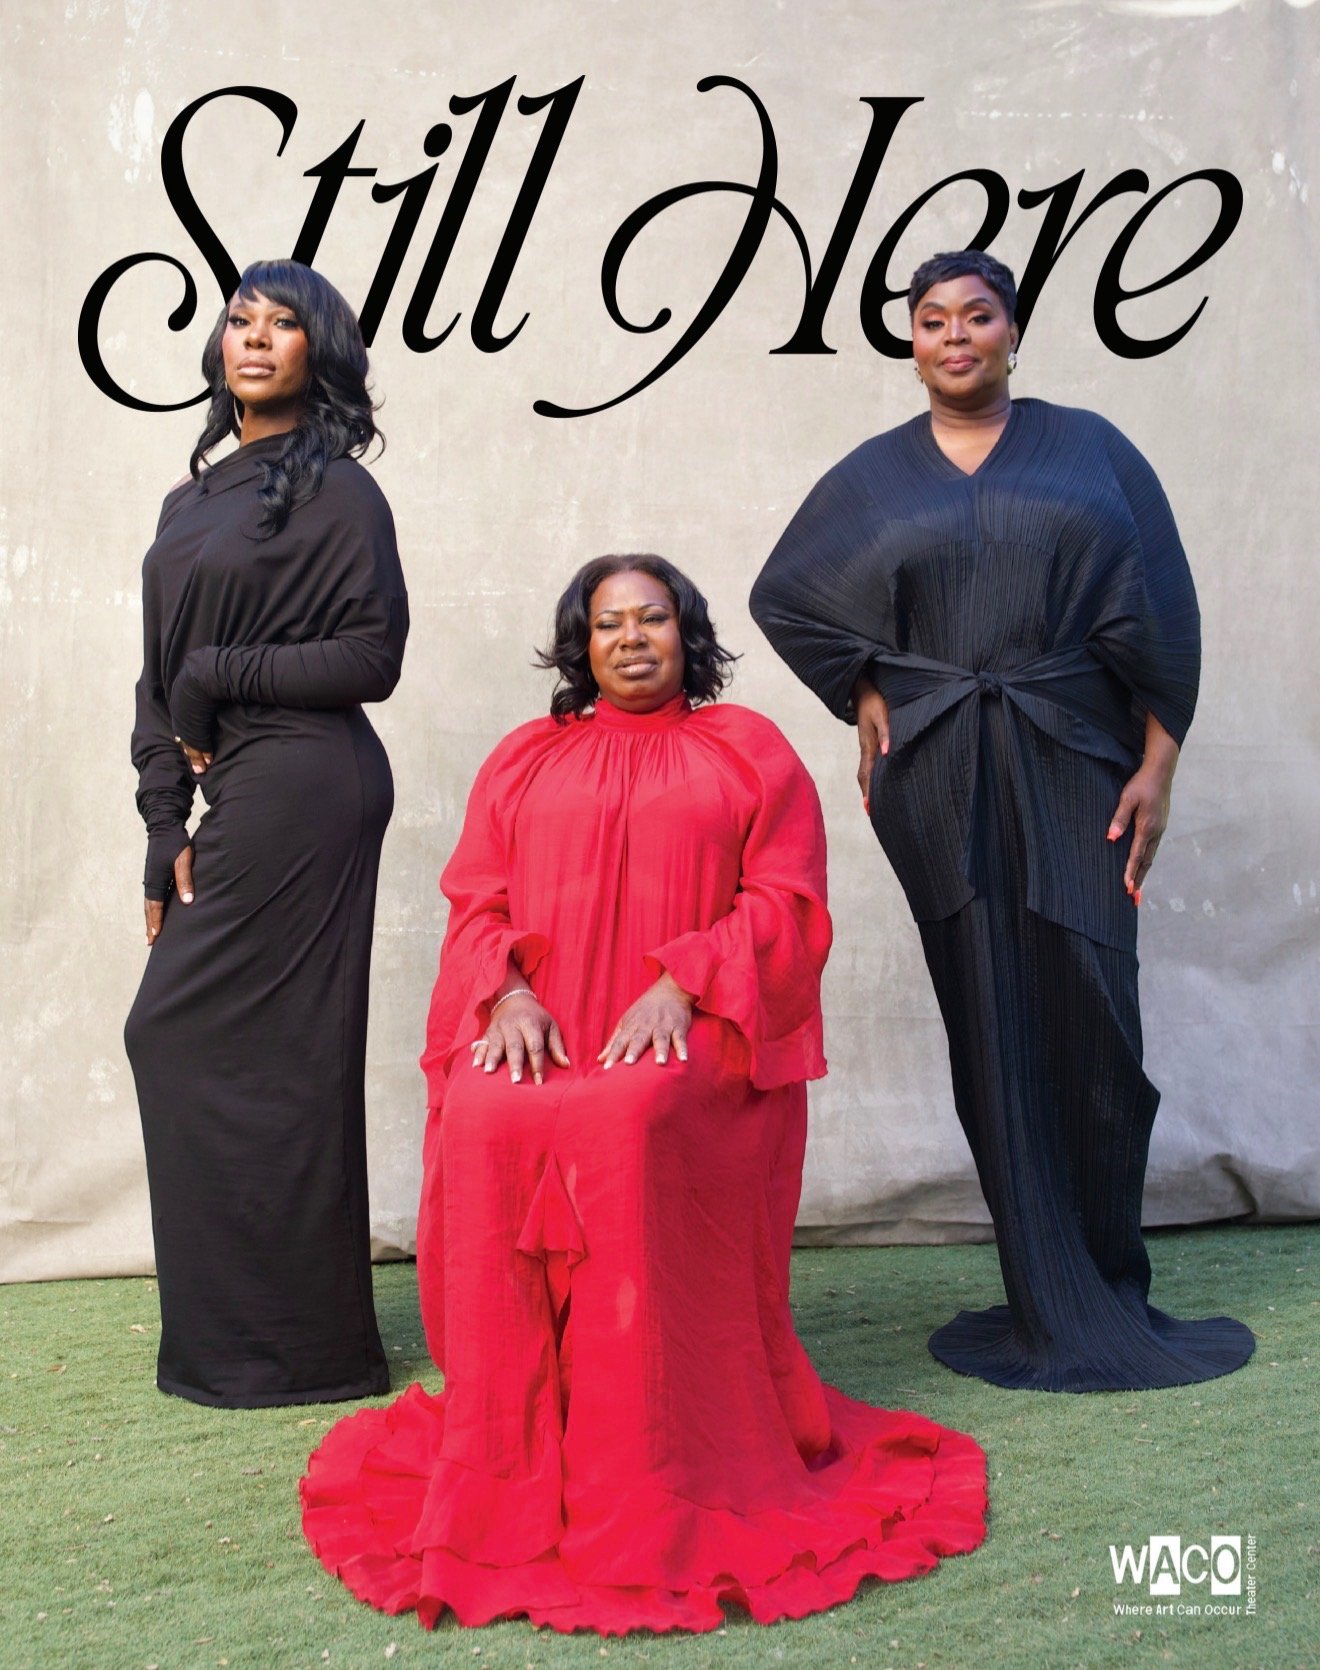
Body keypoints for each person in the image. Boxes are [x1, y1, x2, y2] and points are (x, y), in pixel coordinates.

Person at [301, 556, 986, 1634]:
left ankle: (648, 1458)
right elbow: (476, 903)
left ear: (686, 632)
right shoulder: (525, 757)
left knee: (625, 1116)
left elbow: (787, 902)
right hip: (547, 1028)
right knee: (484, 1112)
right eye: (608, 623)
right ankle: (507, 1456)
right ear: (581, 645)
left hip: (697, 1031)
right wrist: (507, 994)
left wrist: (683, 982)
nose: (631, 638)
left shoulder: (748, 750)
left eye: (652, 618)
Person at [750, 250, 1254, 1393]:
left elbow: (1165, 608)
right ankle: (1041, 1290)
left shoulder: (1091, 449)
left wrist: (1160, 763)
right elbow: (788, 594)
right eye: (932, 320)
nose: (955, 335)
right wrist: (863, 684)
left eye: (976, 315)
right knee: (989, 1020)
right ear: (912, 343)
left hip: (1078, 754)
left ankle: (1105, 1277)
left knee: (1097, 1014)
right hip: (937, 771)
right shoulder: (876, 477)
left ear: (1012, 331)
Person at [123, 259, 408, 1408]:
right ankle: (257, 1333)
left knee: (254, 1047)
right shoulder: (188, 501)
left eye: (283, 324)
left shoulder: (340, 491)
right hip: (235, 778)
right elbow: (158, 674)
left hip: (309, 776)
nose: (254, 337)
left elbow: (372, 656)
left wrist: (217, 673)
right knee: (202, 1042)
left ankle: (294, 1347)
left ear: (316, 352)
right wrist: (162, 818)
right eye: (240, 318)